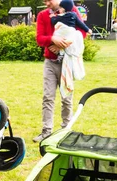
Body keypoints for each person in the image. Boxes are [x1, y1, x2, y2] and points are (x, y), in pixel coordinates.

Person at [33, 0, 82, 142]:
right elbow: (40, 39)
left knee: (67, 98)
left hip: (67, 62)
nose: (46, 3)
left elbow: (81, 33)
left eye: (48, 0)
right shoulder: (43, 15)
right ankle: (46, 132)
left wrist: (63, 45)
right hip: (50, 63)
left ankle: (66, 131)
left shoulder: (71, 10)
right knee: (48, 97)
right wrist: (52, 39)